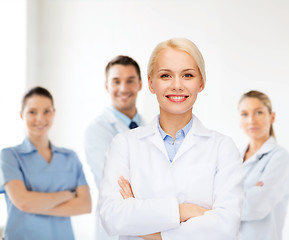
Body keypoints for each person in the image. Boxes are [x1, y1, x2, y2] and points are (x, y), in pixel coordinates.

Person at [98, 38, 244, 240]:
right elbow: (112, 218)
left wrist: (148, 230)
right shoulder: (124, 144)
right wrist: (183, 211)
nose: (177, 85)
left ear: (201, 82)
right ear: (151, 83)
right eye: (165, 75)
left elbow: (225, 228)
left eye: (188, 75)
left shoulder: (223, 148)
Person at [0, 87, 91, 240]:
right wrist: (66, 195)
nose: (40, 118)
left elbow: (85, 205)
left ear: (54, 113)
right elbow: (23, 203)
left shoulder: (70, 157)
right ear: (22, 115)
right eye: (32, 112)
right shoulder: (10, 156)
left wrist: (34, 204)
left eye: (47, 111)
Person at [84, 55, 145, 240]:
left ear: (140, 84)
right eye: (116, 81)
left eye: (130, 81)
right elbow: (115, 182)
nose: (123, 88)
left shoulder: (149, 127)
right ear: (106, 86)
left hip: (147, 226)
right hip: (116, 230)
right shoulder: (97, 130)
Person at [238, 90, 289, 240]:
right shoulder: (234, 157)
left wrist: (220, 204)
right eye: (244, 114)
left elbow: (254, 206)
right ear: (239, 121)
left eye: (258, 112)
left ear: (272, 117)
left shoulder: (280, 157)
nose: (251, 120)